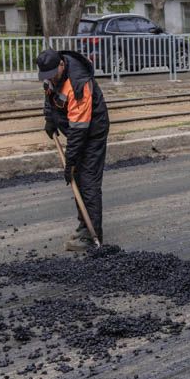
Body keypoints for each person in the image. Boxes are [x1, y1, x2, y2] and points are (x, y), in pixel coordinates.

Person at [37, 48, 110, 251]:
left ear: (61, 65)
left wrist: (70, 162)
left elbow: (80, 129)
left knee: (88, 181)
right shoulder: (50, 74)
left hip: (92, 131)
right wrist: (49, 120)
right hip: (75, 129)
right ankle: (84, 225)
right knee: (78, 179)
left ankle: (93, 235)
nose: (49, 78)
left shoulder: (79, 83)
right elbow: (49, 98)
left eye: (52, 74)